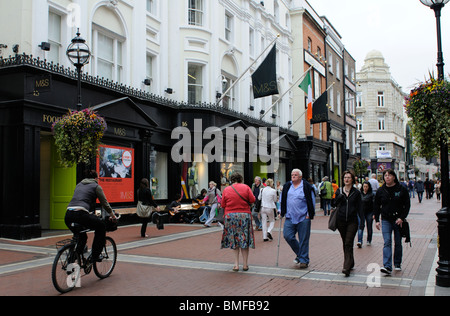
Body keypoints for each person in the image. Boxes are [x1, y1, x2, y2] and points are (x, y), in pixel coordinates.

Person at [65, 170, 117, 262]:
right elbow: (105, 204)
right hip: (80, 214)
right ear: (95, 178)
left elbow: (81, 199)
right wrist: (113, 216)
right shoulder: (96, 186)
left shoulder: (79, 185)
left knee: (82, 237)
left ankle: (72, 259)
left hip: (68, 214)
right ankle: (95, 255)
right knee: (101, 226)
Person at [374, 169, 411, 275]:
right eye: (385, 175)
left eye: (389, 175)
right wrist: (377, 220)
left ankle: (397, 263)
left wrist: (402, 218)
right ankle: (387, 266)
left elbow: (407, 205)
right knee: (387, 242)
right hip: (385, 219)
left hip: (397, 220)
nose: (387, 177)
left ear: (394, 177)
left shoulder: (401, 189)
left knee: (398, 242)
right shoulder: (381, 190)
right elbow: (376, 205)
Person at [280, 169, 315, 269]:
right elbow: (282, 199)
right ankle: (301, 254)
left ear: (300, 177)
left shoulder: (307, 186)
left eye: (295, 175)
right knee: (288, 236)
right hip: (290, 216)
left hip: (303, 217)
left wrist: (309, 214)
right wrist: (280, 211)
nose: (293, 176)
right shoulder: (287, 186)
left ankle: (304, 260)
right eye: (292, 175)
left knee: (304, 239)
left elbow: (311, 200)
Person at [220, 172, 256, 271]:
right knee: (244, 239)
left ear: (231, 180)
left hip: (230, 216)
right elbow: (252, 199)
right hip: (244, 216)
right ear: (241, 179)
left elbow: (223, 204)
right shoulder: (246, 187)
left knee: (234, 240)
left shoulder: (226, 189)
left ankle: (236, 265)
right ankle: (245, 264)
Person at [332, 170, 363, 277]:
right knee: (345, 242)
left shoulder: (356, 192)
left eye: (349, 177)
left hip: (352, 221)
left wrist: (362, 223)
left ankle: (346, 266)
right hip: (341, 221)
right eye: (345, 177)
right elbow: (334, 203)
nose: (346, 179)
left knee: (348, 242)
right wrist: (338, 198)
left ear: (352, 179)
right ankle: (351, 261)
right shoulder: (339, 191)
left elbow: (360, 208)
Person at [357, 181, 374, 247]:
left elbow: (374, 204)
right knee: (361, 226)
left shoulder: (372, 194)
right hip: (361, 212)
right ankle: (359, 241)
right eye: (364, 186)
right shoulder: (359, 194)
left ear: (369, 187)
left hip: (369, 212)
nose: (365, 188)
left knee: (369, 226)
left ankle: (369, 240)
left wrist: (374, 213)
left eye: (366, 187)